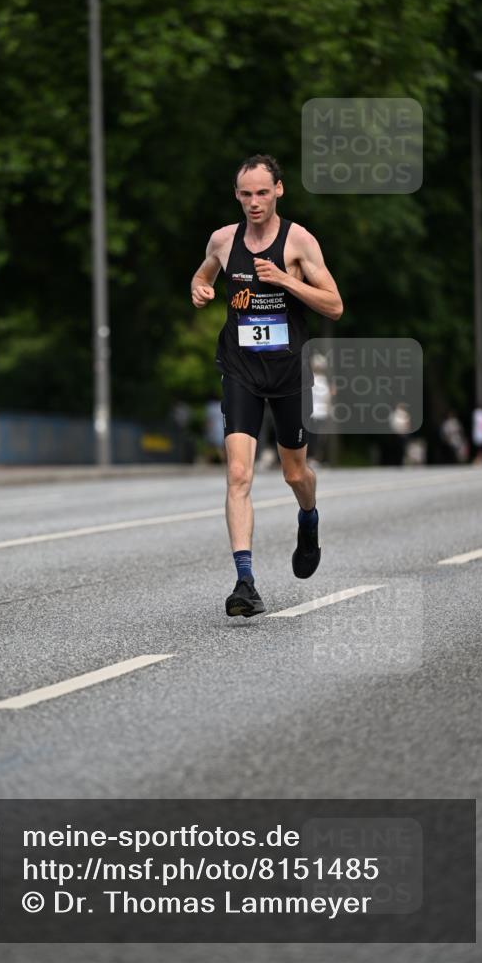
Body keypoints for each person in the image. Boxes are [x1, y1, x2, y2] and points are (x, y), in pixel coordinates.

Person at [190, 154, 343, 617]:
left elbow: (334, 305)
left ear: (278, 190)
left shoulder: (298, 241)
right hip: (240, 370)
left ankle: (309, 518)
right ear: (237, 195)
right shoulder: (223, 240)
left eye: (262, 192)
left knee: (295, 474)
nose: (253, 202)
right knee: (238, 473)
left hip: (287, 372)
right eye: (245, 194)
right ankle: (245, 581)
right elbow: (203, 273)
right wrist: (199, 287)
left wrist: (284, 281)